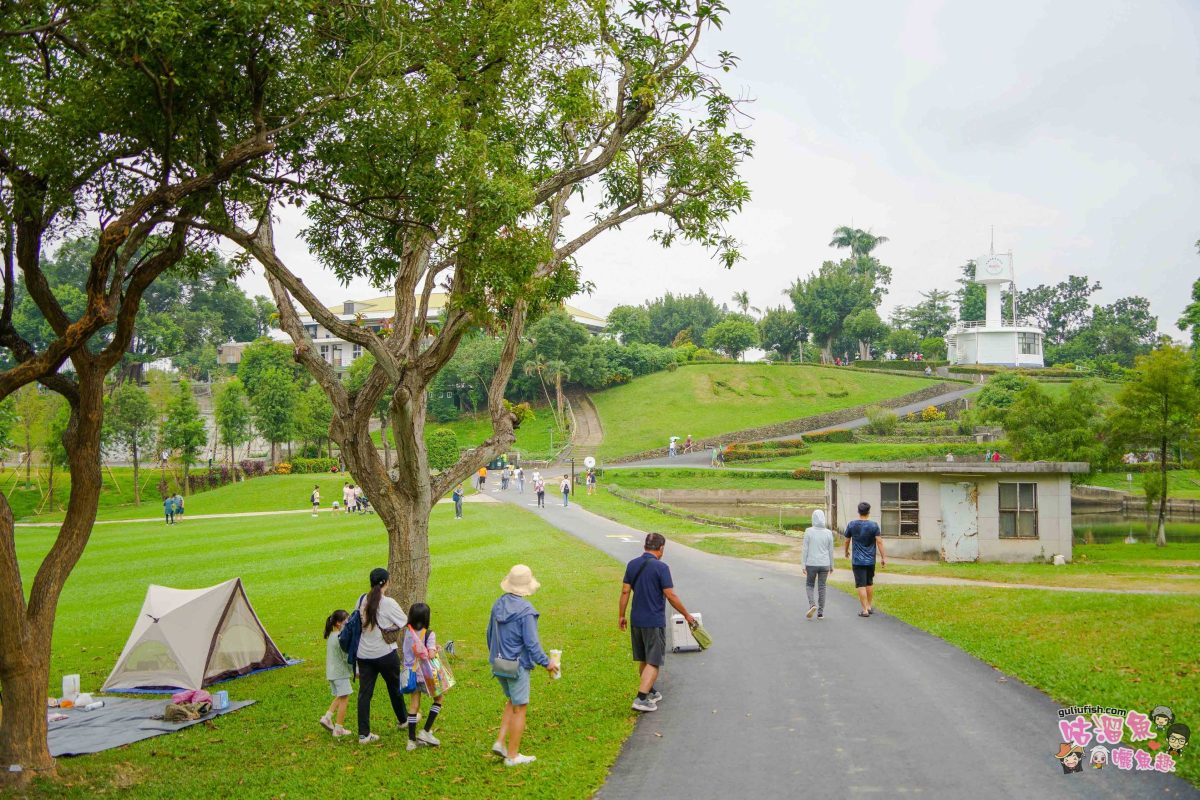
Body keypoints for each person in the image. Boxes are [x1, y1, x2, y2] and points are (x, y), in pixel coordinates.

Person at [487, 565, 558, 766]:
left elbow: (489, 634)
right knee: (520, 707)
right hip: (517, 666)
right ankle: (512, 755)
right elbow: (532, 644)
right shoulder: (526, 611)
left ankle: (500, 742)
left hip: (499, 664)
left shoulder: (498, 604)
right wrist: (547, 663)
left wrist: (495, 657)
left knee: (512, 701)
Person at [618, 533, 694, 713]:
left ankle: (650, 691)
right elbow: (670, 595)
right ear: (661, 548)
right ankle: (641, 698)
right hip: (653, 621)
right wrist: (687, 615)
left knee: (644, 657)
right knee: (654, 660)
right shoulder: (661, 567)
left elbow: (625, 592)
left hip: (636, 619)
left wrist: (621, 615)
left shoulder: (632, 564)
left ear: (645, 546)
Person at [355, 568, 410, 744]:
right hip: (385, 653)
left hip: (364, 654)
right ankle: (403, 720)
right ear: (386, 582)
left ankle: (364, 733)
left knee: (364, 694)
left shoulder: (362, 599)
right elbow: (404, 621)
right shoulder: (388, 603)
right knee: (394, 688)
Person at [402, 603, 445, 751]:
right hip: (426, 675)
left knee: (414, 705)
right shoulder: (429, 634)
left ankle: (411, 741)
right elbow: (431, 654)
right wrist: (436, 649)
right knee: (439, 699)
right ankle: (426, 731)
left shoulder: (408, 632)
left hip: (411, 673)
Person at [843, 501, 885, 617]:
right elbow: (879, 541)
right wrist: (883, 557)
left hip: (857, 560)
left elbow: (847, 540)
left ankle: (865, 610)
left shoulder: (852, 524)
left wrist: (846, 551)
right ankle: (869, 606)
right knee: (869, 582)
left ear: (858, 511)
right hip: (871, 560)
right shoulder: (874, 525)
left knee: (861, 584)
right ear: (869, 512)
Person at [320, 609, 354, 737]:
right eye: (347, 620)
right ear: (339, 623)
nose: (348, 623)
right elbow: (345, 658)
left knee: (341, 696)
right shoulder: (340, 638)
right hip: (340, 674)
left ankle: (327, 717)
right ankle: (339, 728)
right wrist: (354, 671)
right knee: (344, 699)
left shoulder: (331, 637)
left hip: (332, 673)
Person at [801, 510, 834, 620]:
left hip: (811, 563)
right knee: (822, 587)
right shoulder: (828, 533)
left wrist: (803, 564)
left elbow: (805, 549)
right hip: (825, 564)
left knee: (809, 585)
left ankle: (812, 604)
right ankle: (820, 613)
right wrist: (832, 565)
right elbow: (831, 550)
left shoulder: (808, 531)